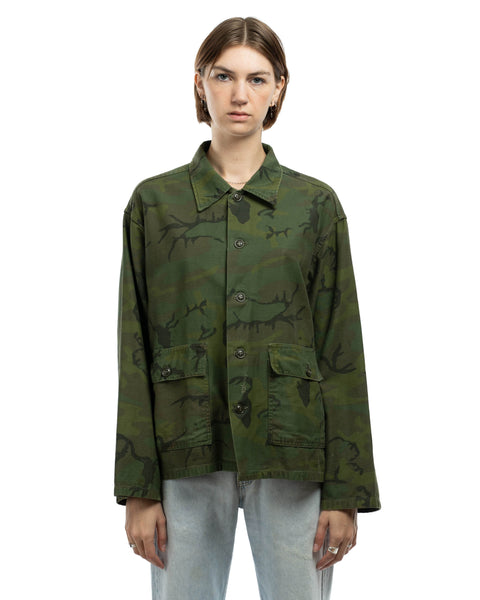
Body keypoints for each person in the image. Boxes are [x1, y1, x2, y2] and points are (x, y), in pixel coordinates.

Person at [114, 16, 380, 600]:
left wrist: (345, 491)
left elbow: (341, 350)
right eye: (223, 76)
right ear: (199, 83)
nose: (240, 94)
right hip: (184, 447)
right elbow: (133, 350)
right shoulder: (154, 205)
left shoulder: (314, 206)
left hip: (293, 450)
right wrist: (138, 487)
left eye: (257, 79)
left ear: (278, 88)